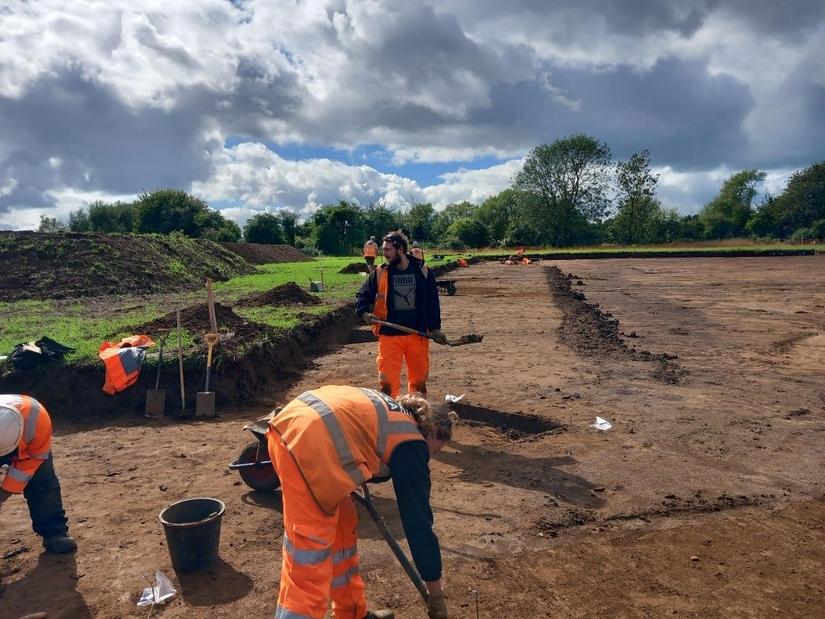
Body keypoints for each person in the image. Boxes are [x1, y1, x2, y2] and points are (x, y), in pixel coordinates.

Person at [266, 385, 455, 619]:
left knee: (344, 522)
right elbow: (418, 525)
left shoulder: (394, 415)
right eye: (433, 452)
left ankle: (351, 613)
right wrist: (435, 594)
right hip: (307, 444)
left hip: (293, 427)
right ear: (431, 432)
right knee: (310, 554)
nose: (428, 459)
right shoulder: (412, 442)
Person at [355, 231, 445, 398]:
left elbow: (433, 302)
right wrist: (364, 313)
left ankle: (416, 414)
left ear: (401, 249)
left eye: (388, 250)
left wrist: (435, 328)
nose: (384, 254)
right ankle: (392, 414)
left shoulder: (422, 271)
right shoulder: (380, 272)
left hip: (417, 334)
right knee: (387, 384)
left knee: (418, 383)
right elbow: (362, 295)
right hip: (389, 335)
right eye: (383, 250)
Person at [0, 394, 76, 554]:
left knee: (43, 481)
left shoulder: (36, 419)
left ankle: (54, 532)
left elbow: (30, 463)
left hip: (31, 444)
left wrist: (2, 494)